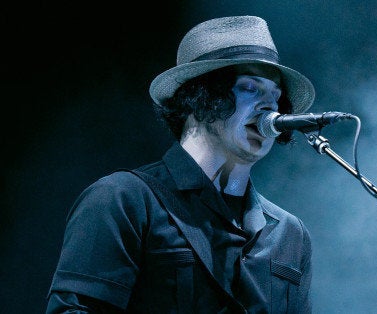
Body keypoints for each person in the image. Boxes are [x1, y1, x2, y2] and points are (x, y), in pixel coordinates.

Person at [46, 15, 315, 313]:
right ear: (200, 97)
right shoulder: (123, 199)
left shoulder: (290, 234)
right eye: (250, 88)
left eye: (276, 96)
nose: (270, 106)